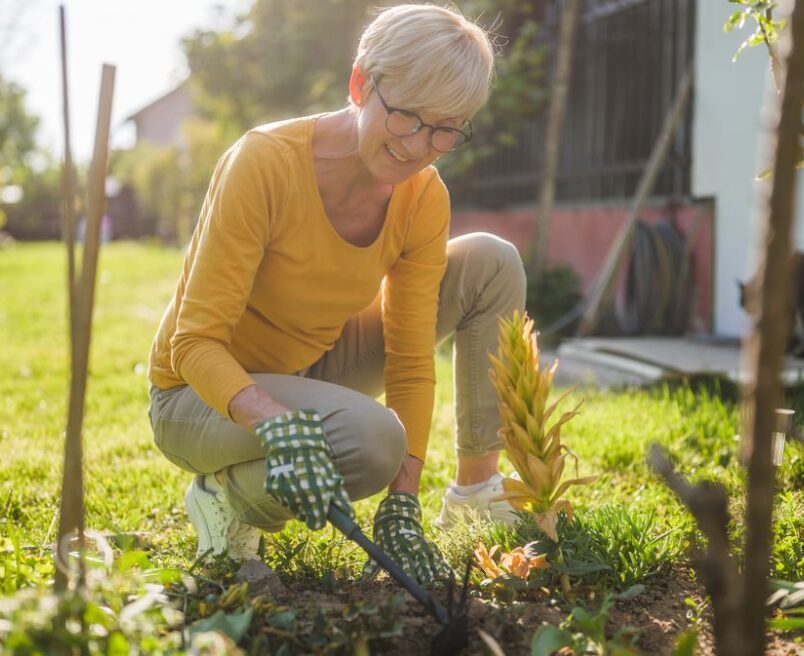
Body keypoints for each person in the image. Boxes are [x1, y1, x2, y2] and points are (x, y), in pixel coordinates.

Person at [146, 3, 525, 587]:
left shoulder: (423, 197)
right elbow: (194, 342)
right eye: (405, 116)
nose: (418, 145)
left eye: (445, 128)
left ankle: (474, 493)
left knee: (489, 261)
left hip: (312, 364)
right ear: (359, 84)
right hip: (198, 393)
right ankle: (225, 497)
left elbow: (410, 355)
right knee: (374, 441)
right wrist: (271, 419)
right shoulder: (265, 163)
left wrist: (404, 499)